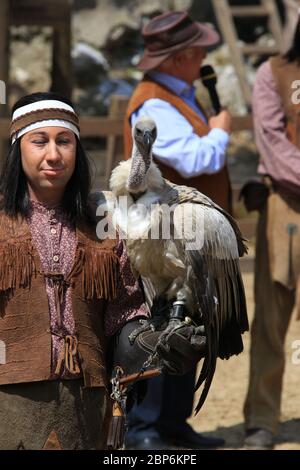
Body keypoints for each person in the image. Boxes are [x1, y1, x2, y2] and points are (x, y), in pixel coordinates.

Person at [0, 91, 153, 450]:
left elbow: (126, 310)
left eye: (64, 141)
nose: (53, 154)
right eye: (40, 141)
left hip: (88, 403)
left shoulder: (105, 227)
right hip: (9, 402)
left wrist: (148, 339)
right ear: (18, 149)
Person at [123, 10, 231, 450]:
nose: (205, 54)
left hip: (185, 238)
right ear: (180, 57)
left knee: (190, 324)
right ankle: (145, 427)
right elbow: (195, 160)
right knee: (161, 325)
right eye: (198, 49)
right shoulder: (154, 104)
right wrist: (222, 132)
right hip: (160, 236)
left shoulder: (179, 94)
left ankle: (173, 423)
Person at [243, 15, 300, 450]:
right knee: (271, 317)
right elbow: (271, 138)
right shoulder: (275, 72)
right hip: (286, 201)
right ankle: (262, 418)